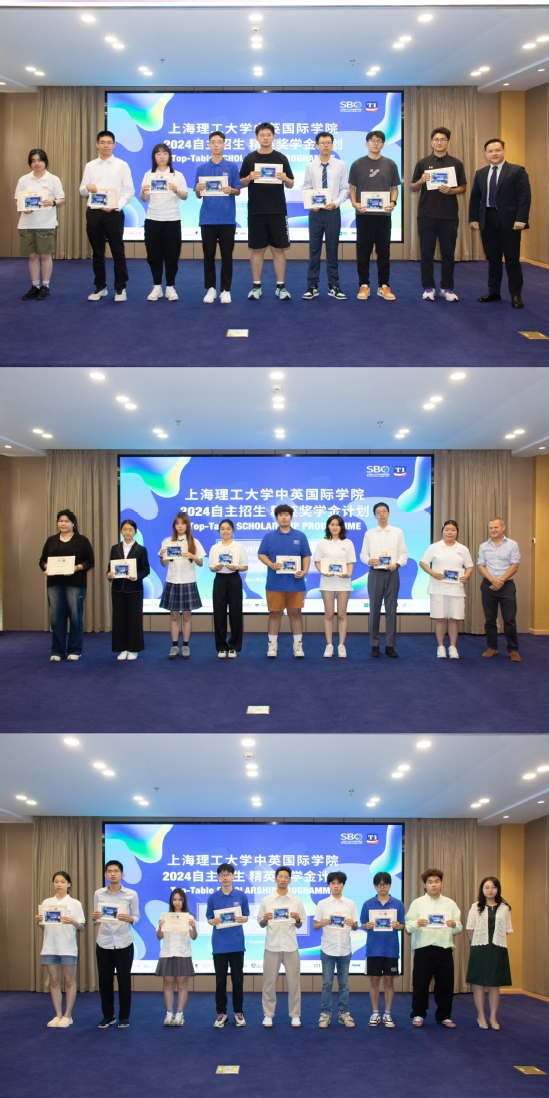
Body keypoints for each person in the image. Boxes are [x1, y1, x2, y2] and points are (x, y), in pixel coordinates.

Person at [469, 138, 531, 309]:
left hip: (510, 221)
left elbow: (524, 197)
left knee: (512, 259)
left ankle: (516, 295)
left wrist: (521, 219)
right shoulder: (481, 173)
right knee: (493, 258)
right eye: (490, 151)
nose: (494, 154)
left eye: (497, 150)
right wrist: (474, 218)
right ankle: (493, 292)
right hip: (487, 220)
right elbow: (475, 197)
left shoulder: (517, 171)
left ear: (504, 151)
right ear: (485, 154)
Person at [410, 127, 467, 302]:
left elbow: (463, 187)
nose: (439, 142)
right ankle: (428, 287)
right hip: (427, 214)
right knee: (426, 253)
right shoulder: (423, 162)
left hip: (449, 216)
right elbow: (413, 187)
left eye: (443, 140)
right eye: (436, 139)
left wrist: (452, 191)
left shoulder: (456, 163)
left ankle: (447, 288)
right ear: (431, 142)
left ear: (448, 142)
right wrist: (421, 180)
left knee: (448, 253)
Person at [239, 122, 294, 301]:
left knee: (279, 249)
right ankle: (256, 286)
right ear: (257, 137)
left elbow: (291, 183)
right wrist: (249, 177)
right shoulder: (250, 158)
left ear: (273, 137)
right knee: (257, 249)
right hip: (256, 211)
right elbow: (240, 183)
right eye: (262, 135)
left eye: (268, 135)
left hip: (278, 211)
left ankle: (281, 287)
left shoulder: (281, 158)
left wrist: (285, 178)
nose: (265, 138)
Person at [79, 129, 135, 302]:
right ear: (97, 145)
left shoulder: (122, 165)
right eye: (102, 142)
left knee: (118, 252)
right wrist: (87, 188)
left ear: (114, 145)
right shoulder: (90, 166)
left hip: (114, 214)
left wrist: (117, 205)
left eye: (109, 142)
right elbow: (82, 191)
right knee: (97, 253)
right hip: (94, 213)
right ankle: (100, 287)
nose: (106, 145)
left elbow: (129, 190)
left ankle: (120, 288)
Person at [405, 868, 462, 1028]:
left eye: (437, 881)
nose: (434, 885)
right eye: (430, 882)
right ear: (425, 885)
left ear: (441, 883)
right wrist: (417, 923)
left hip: (444, 949)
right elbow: (408, 926)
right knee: (420, 984)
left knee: (445, 985)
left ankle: (444, 1016)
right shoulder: (417, 903)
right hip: (423, 949)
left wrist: (454, 925)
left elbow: (458, 926)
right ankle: (418, 1014)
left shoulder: (450, 903)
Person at [349, 130, 401, 301]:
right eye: (372, 140)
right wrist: (354, 203)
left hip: (383, 215)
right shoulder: (357, 164)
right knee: (363, 251)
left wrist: (392, 203)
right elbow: (352, 189)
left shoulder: (390, 164)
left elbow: (395, 189)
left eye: (379, 140)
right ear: (367, 143)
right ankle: (364, 285)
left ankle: (383, 285)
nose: (375, 143)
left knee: (384, 252)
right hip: (364, 215)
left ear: (383, 144)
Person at [39, 508, 94, 661]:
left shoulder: (82, 540)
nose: (63, 524)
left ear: (73, 523)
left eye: (66, 521)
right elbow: (42, 560)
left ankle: (75, 650)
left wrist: (75, 568)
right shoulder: (51, 540)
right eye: (60, 521)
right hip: (54, 584)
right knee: (56, 618)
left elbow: (89, 562)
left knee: (75, 618)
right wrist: (46, 567)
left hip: (75, 583)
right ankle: (57, 651)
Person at [258, 503, 311, 658]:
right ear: (276, 518)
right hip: (275, 583)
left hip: (295, 583)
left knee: (295, 613)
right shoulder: (269, 536)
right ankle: (272, 646)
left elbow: (306, 555)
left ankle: (298, 646)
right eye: (280, 515)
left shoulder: (300, 536)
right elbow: (261, 554)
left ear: (291, 517)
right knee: (275, 614)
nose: (284, 517)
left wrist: (305, 570)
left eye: (286, 514)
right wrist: (271, 564)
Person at [194, 131, 241, 304]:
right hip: (207, 218)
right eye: (213, 142)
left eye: (219, 142)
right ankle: (211, 289)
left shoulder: (232, 167)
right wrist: (198, 190)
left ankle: (226, 289)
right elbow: (198, 195)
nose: (216, 145)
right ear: (208, 145)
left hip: (227, 218)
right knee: (208, 255)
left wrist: (232, 190)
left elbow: (238, 190)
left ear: (224, 145)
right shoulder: (201, 169)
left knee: (227, 255)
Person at [92, 859, 140, 1029]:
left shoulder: (131, 894)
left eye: (116, 871)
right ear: (106, 875)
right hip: (104, 942)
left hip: (124, 942)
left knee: (124, 981)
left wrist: (130, 918)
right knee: (105, 981)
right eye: (110, 871)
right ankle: (108, 1016)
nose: (113, 874)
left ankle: (124, 1016)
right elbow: (96, 917)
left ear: (122, 874)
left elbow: (136, 917)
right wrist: (95, 917)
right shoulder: (99, 894)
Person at [302, 131, 349, 301]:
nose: (325, 145)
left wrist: (335, 203)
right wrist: (311, 203)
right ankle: (312, 286)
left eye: (328, 142)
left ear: (333, 145)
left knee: (332, 250)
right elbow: (306, 187)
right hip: (315, 213)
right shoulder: (310, 166)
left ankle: (333, 286)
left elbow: (345, 189)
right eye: (322, 143)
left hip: (332, 212)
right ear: (317, 146)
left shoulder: (341, 165)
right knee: (314, 250)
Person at [258, 866, 307, 1028]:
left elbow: (300, 924)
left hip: (290, 946)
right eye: (280, 876)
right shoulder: (267, 900)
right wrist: (265, 919)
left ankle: (295, 1015)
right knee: (269, 983)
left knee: (294, 983)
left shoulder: (296, 901)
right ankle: (268, 1015)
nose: (283, 879)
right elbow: (261, 923)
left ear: (290, 880)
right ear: (275, 879)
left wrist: (297, 919)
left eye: (286, 877)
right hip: (271, 946)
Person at [35, 871, 85, 1028]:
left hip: (68, 947)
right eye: (56, 881)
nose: (59, 884)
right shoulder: (47, 902)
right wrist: (39, 921)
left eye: (62, 882)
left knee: (69, 981)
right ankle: (57, 1014)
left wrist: (72, 921)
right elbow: (45, 926)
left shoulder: (75, 903)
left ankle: (68, 1015)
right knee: (54, 980)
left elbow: (81, 926)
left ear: (69, 884)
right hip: (50, 947)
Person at [14, 148, 65, 301]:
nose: (36, 163)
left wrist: (53, 202)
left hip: (46, 223)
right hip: (26, 223)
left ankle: (45, 286)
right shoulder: (24, 179)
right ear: (30, 163)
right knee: (32, 256)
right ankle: (35, 285)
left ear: (45, 162)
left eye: (39, 160)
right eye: (33, 161)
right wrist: (23, 208)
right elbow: (17, 199)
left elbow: (61, 198)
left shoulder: (53, 179)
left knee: (45, 255)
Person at [140, 143, 188, 302]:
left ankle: (170, 287)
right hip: (152, 219)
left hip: (172, 219)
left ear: (169, 156)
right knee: (153, 255)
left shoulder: (177, 175)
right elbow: (144, 198)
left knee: (172, 255)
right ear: (154, 156)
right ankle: (156, 287)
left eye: (165, 153)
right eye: (158, 153)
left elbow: (185, 196)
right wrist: (144, 191)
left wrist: (176, 190)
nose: (162, 156)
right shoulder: (149, 175)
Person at [419, 520, 474, 659]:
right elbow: (423, 562)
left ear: (457, 532)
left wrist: (466, 576)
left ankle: (453, 647)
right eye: (447, 529)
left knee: (454, 619)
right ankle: (441, 647)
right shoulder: (434, 547)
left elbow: (470, 566)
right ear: (443, 531)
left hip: (456, 590)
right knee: (440, 618)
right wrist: (433, 573)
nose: (450, 532)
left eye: (453, 530)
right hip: (438, 588)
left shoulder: (462, 549)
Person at [360, 502, 408, 658]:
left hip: (392, 573)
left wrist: (397, 564)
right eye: (378, 512)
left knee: (391, 610)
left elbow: (404, 553)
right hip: (375, 574)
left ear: (389, 513)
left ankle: (390, 645)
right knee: (374, 610)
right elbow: (363, 554)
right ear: (375, 515)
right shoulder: (369, 533)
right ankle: (374, 645)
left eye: (384, 511)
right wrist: (369, 561)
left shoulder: (397, 532)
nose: (381, 514)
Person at [206, 863, 250, 1028]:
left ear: (233, 876)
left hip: (236, 944)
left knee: (238, 980)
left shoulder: (241, 896)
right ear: (218, 877)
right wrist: (213, 921)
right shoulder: (213, 897)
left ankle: (238, 1012)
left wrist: (243, 919)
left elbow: (246, 916)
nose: (225, 878)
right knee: (220, 981)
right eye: (222, 875)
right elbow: (209, 918)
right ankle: (222, 1013)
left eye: (228, 874)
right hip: (219, 945)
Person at [466, 877, 512, 1030]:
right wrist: (475, 945)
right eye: (487, 887)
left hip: (497, 948)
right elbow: (470, 929)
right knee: (479, 983)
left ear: (498, 889)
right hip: (479, 948)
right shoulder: (475, 907)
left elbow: (506, 930)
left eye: (493, 887)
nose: (490, 890)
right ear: (482, 890)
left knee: (494, 984)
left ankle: (493, 1017)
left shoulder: (504, 908)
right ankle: (481, 1015)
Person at [314, 870, 359, 1029]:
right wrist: (322, 923)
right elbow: (315, 925)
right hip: (328, 948)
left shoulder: (350, 904)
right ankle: (325, 1014)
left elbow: (356, 926)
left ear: (343, 885)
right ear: (329, 885)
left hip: (345, 949)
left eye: (339, 883)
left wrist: (352, 923)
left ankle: (344, 1013)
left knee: (344, 984)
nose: (336, 886)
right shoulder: (322, 904)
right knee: (327, 984)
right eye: (333, 883)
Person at [361, 871, 405, 1028]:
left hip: (391, 949)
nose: (382, 887)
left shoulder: (398, 904)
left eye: (385, 884)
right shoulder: (368, 904)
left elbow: (403, 925)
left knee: (389, 981)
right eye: (379, 884)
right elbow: (363, 924)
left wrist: (399, 926)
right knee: (374, 981)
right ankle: (375, 1012)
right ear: (375, 886)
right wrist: (366, 925)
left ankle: (387, 1013)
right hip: (373, 949)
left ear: (390, 885)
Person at [159, 512, 205, 660]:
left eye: (183, 523)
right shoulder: (168, 542)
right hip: (172, 581)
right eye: (177, 523)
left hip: (188, 581)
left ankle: (185, 645)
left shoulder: (194, 542)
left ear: (187, 525)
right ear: (174, 526)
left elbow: (201, 563)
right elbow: (164, 564)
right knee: (173, 616)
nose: (180, 526)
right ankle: (174, 646)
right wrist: (161, 556)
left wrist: (193, 556)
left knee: (186, 616)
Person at [477, 518, 521, 662]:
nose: (493, 530)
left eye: (496, 527)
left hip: (506, 586)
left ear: (503, 528)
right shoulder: (483, 546)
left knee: (509, 619)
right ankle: (492, 647)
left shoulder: (512, 544)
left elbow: (515, 564)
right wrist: (492, 580)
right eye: (490, 528)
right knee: (490, 619)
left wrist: (500, 580)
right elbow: (481, 565)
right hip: (488, 585)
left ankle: (513, 650)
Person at [313, 514, 356, 657]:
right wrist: (323, 571)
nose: (335, 527)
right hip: (327, 582)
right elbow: (317, 561)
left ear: (341, 527)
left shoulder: (348, 543)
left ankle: (341, 646)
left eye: (337, 524)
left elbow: (350, 562)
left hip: (343, 582)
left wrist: (348, 573)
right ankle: (329, 645)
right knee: (329, 614)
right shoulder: (322, 543)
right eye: (332, 524)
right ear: (328, 526)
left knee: (342, 614)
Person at [107, 519, 150, 660]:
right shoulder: (115, 548)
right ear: (121, 531)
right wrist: (109, 574)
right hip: (118, 589)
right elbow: (110, 567)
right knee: (119, 620)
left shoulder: (141, 549)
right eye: (125, 529)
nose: (127, 532)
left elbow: (145, 570)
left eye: (130, 529)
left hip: (134, 589)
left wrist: (136, 576)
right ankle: (122, 648)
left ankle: (133, 649)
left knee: (134, 619)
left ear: (135, 532)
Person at [156, 887, 197, 1027]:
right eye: (175, 899)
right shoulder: (165, 917)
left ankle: (179, 1014)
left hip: (183, 953)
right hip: (167, 953)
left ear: (184, 901)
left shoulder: (189, 917)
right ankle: (169, 1013)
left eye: (180, 899)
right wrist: (160, 926)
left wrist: (193, 927)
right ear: (171, 901)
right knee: (168, 984)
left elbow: (194, 937)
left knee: (182, 985)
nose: (177, 902)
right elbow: (159, 936)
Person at [209, 519, 248, 658]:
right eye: (222, 529)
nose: (225, 531)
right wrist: (216, 567)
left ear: (232, 530)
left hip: (234, 579)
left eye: (228, 528)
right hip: (220, 580)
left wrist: (236, 567)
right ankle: (221, 647)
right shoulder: (215, 548)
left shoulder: (239, 547)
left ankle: (234, 646)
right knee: (219, 614)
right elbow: (211, 567)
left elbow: (245, 566)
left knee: (235, 613)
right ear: (219, 531)